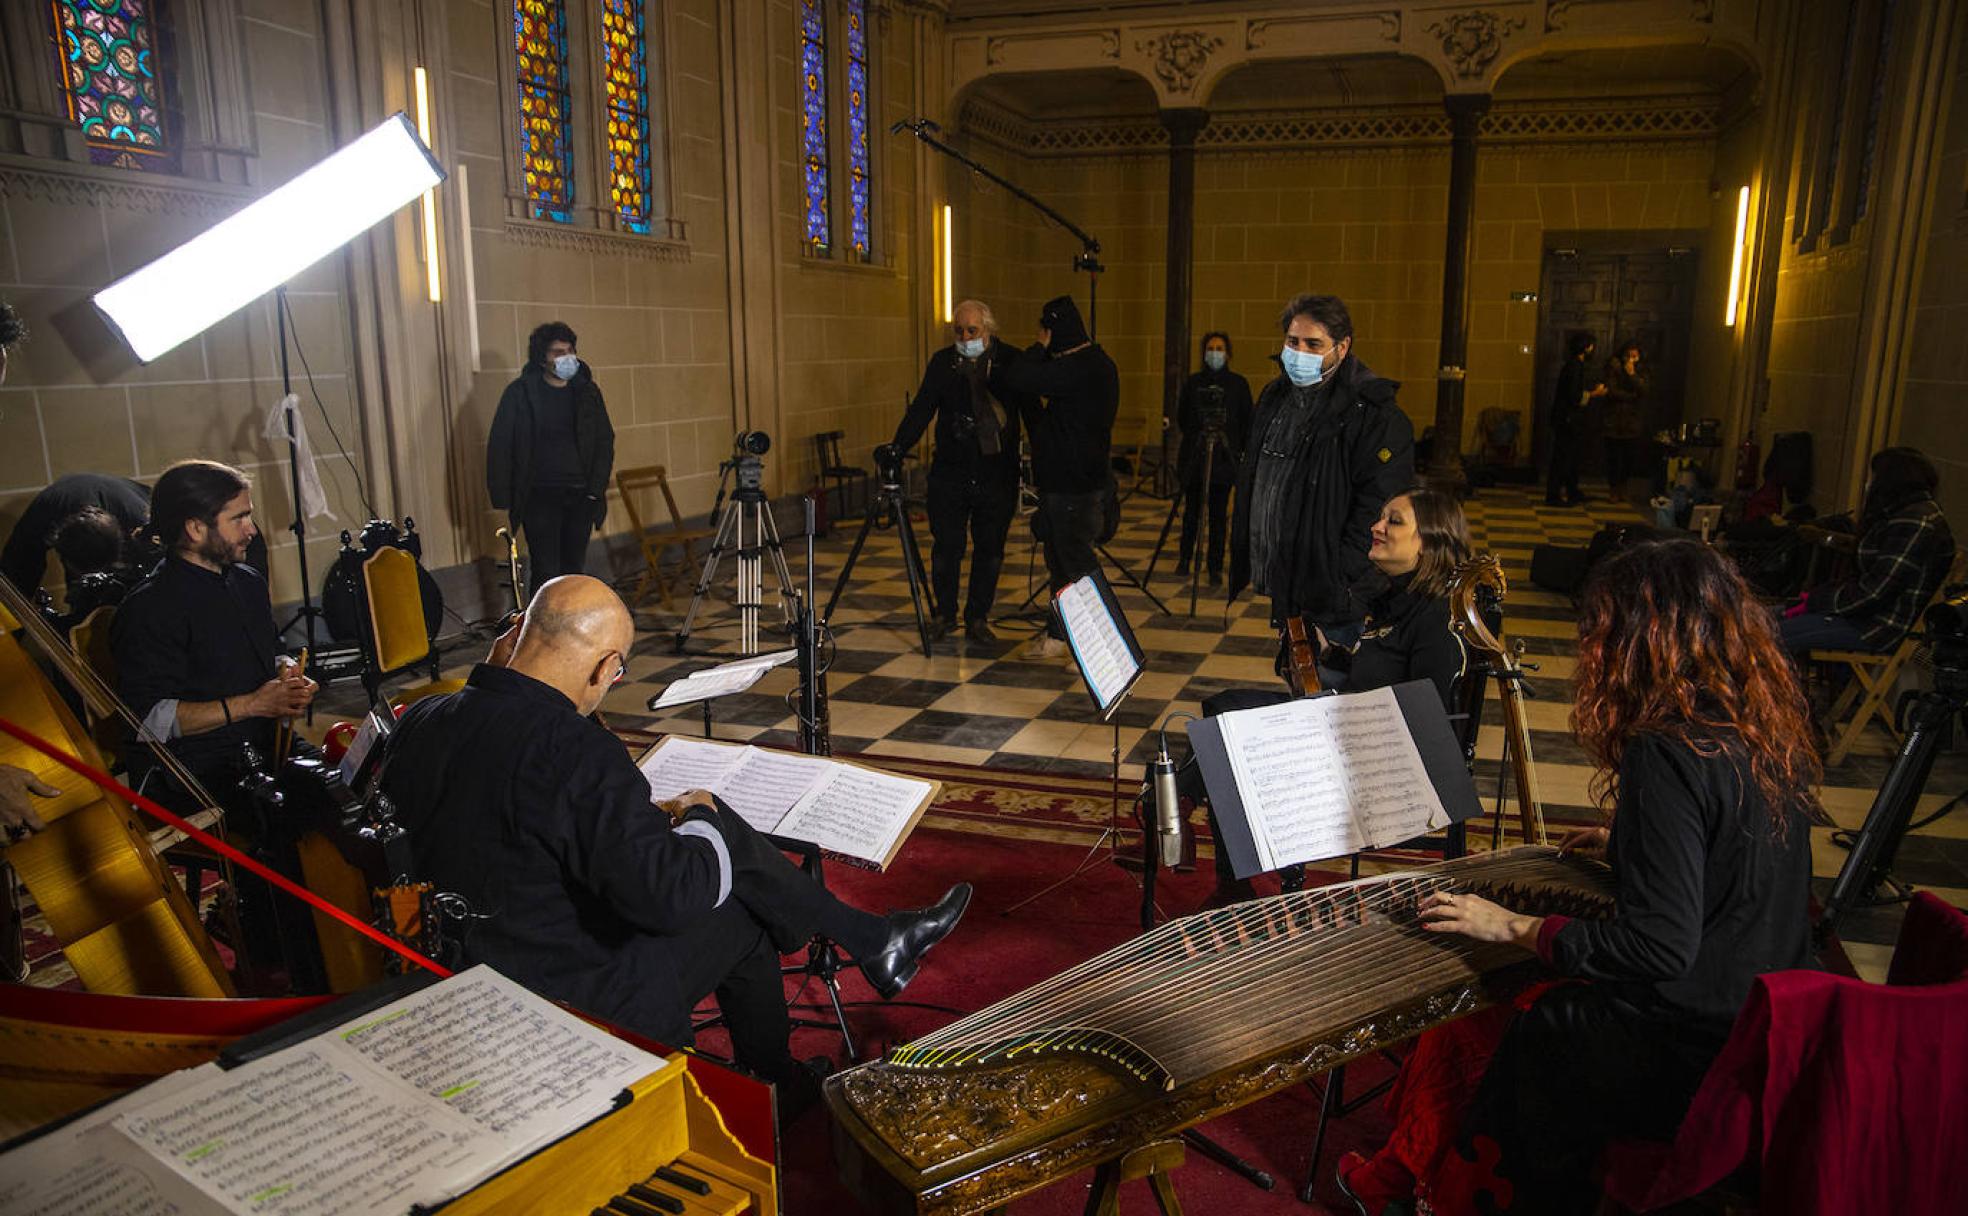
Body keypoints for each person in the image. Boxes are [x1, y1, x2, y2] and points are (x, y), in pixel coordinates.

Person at [1336, 537, 1818, 1216]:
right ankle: (1405, 1173)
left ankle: (1464, 1194)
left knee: (1512, 1013)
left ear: (1638, 641)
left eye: (1599, 632)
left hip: (1691, 1049)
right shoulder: (1759, 722)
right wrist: (1633, 842)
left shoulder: (1663, 751)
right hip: (1766, 1016)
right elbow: (1733, 862)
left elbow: (1659, 948)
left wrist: (1513, 924)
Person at [377, 575, 971, 1110]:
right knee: (739, 907)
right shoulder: (577, 750)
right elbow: (670, 899)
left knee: (730, 874)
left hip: (456, 974)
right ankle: (781, 1077)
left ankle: (867, 945)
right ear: (606, 666)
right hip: (565, 998)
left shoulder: (419, 721)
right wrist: (701, 817)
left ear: (516, 636)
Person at [1201, 487, 1472, 903]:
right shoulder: (1396, 594)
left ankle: (1220, 867)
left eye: (1393, 522)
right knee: (1221, 712)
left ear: (1430, 543)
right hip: (1350, 726)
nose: (1376, 527)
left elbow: (1427, 720)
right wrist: (1335, 657)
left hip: (1380, 759)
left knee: (1226, 734)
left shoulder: (1436, 618)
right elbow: (1381, 666)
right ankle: (1224, 868)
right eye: (1381, 517)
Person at [109, 460, 316, 796]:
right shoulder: (148, 609)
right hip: (197, 771)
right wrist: (252, 704)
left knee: (355, 789)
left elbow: (270, 650)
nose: (251, 530)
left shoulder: (248, 581)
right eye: (239, 518)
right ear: (195, 529)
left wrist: (289, 672)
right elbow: (145, 721)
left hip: (264, 745)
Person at [1229, 293, 1414, 658]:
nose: (1299, 353)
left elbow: (1377, 507)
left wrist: (1339, 580)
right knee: (1297, 676)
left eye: (1314, 344)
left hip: (1337, 593)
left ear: (1342, 347)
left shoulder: (1373, 415)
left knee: (1331, 689)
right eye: (1292, 342)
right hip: (1289, 582)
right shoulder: (1275, 396)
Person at [891, 299, 1028, 645]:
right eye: (959, 331)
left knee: (990, 547)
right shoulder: (943, 363)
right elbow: (922, 408)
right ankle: (945, 613)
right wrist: (898, 447)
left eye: (972, 330)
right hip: (950, 471)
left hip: (996, 472)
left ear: (988, 330)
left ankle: (978, 617)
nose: (965, 336)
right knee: (947, 545)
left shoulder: (1011, 362)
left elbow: (1031, 412)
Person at [997, 295, 1118, 657]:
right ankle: (1058, 637)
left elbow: (1018, 376)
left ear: (1055, 331)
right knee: (1061, 567)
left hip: (1074, 490)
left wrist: (1039, 346)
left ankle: (1107, 647)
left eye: (1045, 331)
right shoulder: (1094, 363)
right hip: (1068, 486)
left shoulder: (1081, 367)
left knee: (1079, 568)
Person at [1779, 446, 1954, 656]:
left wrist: (1820, 601)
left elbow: (1875, 592)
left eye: (1873, 477)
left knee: (1767, 635)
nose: (1868, 484)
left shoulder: (1916, 520)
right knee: (1764, 620)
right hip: (1864, 619)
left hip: (1878, 629)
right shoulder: (1904, 513)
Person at [487, 322, 616, 595]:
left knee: (573, 568)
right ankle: (544, 630)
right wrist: (502, 498)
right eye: (557, 352)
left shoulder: (586, 392)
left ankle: (569, 630)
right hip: (539, 495)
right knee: (545, 570)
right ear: (542, 358)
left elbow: (604, 441)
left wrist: (595, 490)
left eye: (569, 350)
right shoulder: (520, 394)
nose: (566, 357)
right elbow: (501, 445)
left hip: (580, 495)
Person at [1174, 331, 1253, 586]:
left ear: (1227, 353)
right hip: (1196, 459)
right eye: (1210, 348)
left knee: (1219, 517)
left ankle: (1215, 567)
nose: (1215, 353)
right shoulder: (1194, 382)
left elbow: (1245, 421)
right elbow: (1183, 418)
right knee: (1192, 514)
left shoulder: (1238, 384)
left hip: (1223, 461)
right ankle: (1185, 559)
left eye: (1219, 348)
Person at [0, 474, 150, 596]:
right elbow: (13, 579)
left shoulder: (143, 522)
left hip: (127, 505)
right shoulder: (41, 518)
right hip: (63, 508)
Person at [1544, 331, 1605, 507]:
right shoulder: (1574, 366)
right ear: (1585, 348)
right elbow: (1573, 396)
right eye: (1591, 346)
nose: (1593, 350)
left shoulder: (1575, 365)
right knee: (1562, 457)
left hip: (1568, 419)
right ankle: (1554, 494)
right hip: (1567, 420)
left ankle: (1572, 490)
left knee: (1572, 456)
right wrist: (1594, 393)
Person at [1599, 341, 1647, 500]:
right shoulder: (1613, 367)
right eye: (1629, 356)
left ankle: (1623, 486)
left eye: (1635, 356)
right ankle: (1613, 488)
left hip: (1632, 421)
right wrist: (1631, 395)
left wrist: (1632, 375)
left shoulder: (1641, 370)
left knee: (1629, 457)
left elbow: (1644, 390)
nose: (1632, 359)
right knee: (1613, 457)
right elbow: (1611, 391)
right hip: (1613, 420)